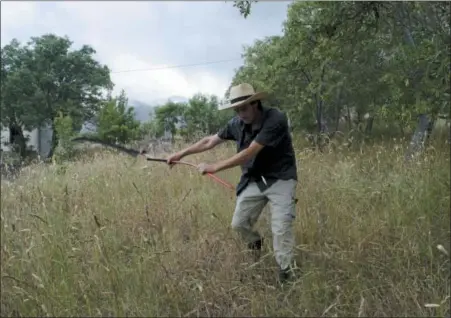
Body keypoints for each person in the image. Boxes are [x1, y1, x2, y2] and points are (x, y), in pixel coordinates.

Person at [166, 83, 298, 284]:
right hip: (255, 179)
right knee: (239, 224)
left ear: (255, 104)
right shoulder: (236, 123)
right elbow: (209, 141)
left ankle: (286, 275)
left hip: (281, 178)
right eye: (236, 109)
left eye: (244, 108)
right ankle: (255, 245)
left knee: (280, 228)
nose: (240, 113)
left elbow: (249, 152)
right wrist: (179, 153)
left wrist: (214, 167)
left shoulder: (275, 119)